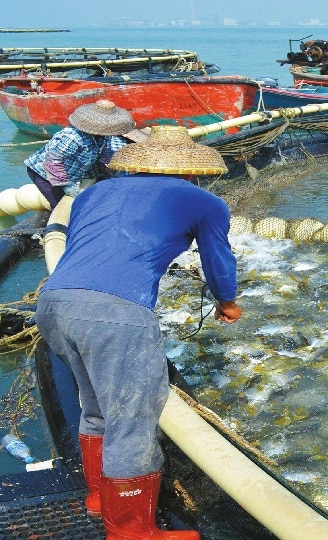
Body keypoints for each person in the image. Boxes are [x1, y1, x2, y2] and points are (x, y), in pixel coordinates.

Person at [34, 125, 241, 539]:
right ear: (191, 171)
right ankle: (132, 532)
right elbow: (219, 261)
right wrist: (227, 302)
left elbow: (95, 248)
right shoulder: (206, 202)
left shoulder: (94, 192)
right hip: (116, 314)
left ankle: (99, 500)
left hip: (54, 303)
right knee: (132, 423)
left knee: (95, 408)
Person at [24, 99, 136, 209]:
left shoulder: (104, 137)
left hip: (74, 170)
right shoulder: (73, 137)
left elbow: (104, 157)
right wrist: (67, 186)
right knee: (61, 204)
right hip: (44, 172)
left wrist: (114, 175)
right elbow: (52, 162)